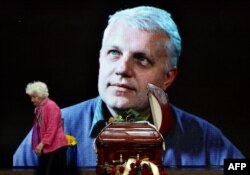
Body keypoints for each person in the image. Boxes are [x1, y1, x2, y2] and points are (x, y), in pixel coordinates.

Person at [13, 6, 244, 168]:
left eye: (141, 59)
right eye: (114, 53)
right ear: (101, 59)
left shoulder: (207, 142)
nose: (122, 69)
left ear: (168, 77)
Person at [24, 81, 68, 175]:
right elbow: (39, 128)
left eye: (34, 97)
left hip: (56, 147)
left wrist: (41, 144)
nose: (32, 100)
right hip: (47, 147)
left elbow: (51, 128)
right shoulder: (41, 107)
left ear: (41, 95)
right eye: (31, 97)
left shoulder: (51, 106)